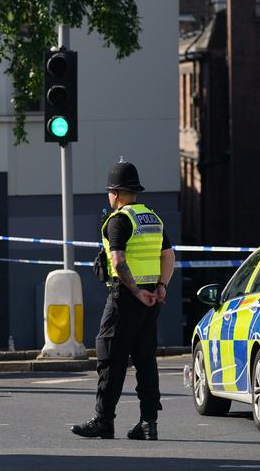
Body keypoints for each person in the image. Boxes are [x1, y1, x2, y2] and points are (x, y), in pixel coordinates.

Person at [71, 159, 175, 440]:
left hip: (126, 298)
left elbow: (118, 261)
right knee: (145, 360)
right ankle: (148, 423)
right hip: (152, 299)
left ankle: (104, 420)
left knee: (109, 357)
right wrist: (161, 287)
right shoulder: (153, 218)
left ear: (115, 193)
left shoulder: (118, 220)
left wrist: (136, 291)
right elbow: (168, 256)